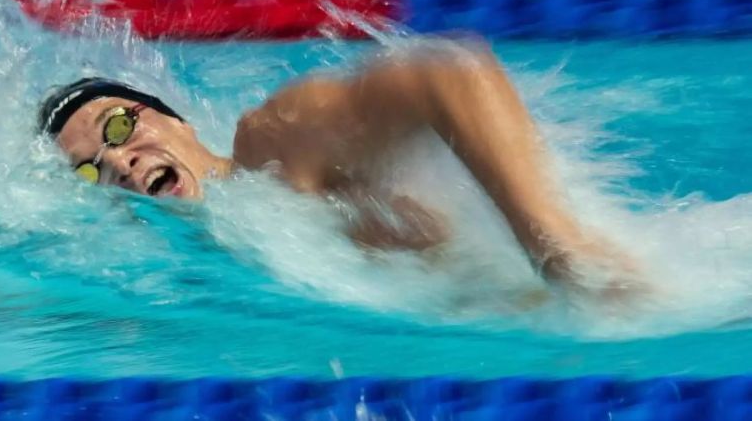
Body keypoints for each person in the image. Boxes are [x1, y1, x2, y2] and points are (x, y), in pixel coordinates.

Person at [39, 41, 634, 294]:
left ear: (178, 123)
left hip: (586, 303)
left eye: (119, 127)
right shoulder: (199, 269)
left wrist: (554, 246)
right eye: (89, 171)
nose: (118, 161)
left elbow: (448, 72)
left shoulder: (270, 150)